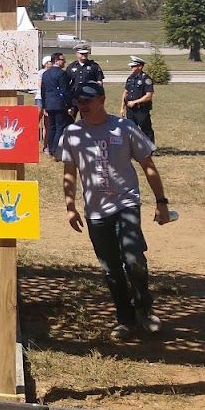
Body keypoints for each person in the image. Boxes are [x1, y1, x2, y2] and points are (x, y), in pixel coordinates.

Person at [60, 82, 172, 342]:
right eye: (78, 101)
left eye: (88, 100)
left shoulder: (124, 127)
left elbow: (148, 165)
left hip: (126, 203)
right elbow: (69, 173)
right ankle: (125, 319)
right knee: (111, 268)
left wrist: (161, 201)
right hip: (95, 212)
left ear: (101, 99)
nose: (83, 106)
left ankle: (145, 309)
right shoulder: (72, 133)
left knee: (133, 259)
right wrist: (70, 207)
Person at [120, 56, 156, 144]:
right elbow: (125, 92)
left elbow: (148, 96)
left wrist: (135, 102)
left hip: (141, 109)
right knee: (131, 129)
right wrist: (122, 107)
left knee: (145, 129)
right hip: (130, 109)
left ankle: (149, 148)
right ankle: (133, 148)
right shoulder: (130, 78)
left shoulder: (146, 79)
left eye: (133, 66)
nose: (131, 68)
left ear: (140, 66)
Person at [40, 52, 70, 154]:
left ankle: (50, 147)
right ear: (56, 60)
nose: (64, 62)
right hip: (59, 104)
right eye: (62, 60)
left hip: (48, 103)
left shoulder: (45, 74)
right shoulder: (62, 74)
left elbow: (43, 91)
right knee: (59, 127)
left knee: (51, 127)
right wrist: (69, 104)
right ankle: (56, 148)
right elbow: (64, 90)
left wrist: (44, 106)